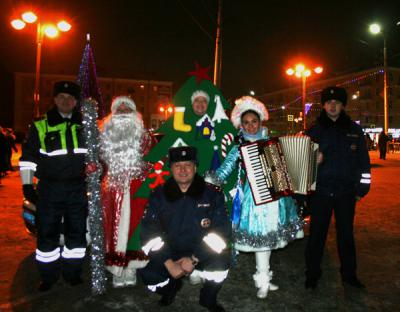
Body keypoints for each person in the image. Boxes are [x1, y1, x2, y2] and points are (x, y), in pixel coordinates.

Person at [214, 96, 303, 299]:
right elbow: (226, 168)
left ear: (260, 121)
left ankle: (265, 277)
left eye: (254, 121)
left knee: (270, 239)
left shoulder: (274, 143)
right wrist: (213, 179)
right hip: (254, 200)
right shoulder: (239, 147)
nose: (251, 126)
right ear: (241, 124)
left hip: (278, 199)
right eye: (246, 122)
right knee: (262, 240)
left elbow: (287, 167)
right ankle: (262, 281)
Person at [139, 146, 230, 312]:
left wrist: (194, 259)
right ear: (171, 168)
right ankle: (171, 289)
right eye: (177, 165)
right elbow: (149, 234)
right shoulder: (158, 196)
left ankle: (207, 299)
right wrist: (169, 263)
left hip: (201, 252)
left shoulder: (213, 195)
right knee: (149, 276)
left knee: (221, 264)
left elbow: (221, 234)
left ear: (195, 167)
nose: (182, 170)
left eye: (187, 165)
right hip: (170, 252)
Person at [19, 81, 87, 292]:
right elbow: (28, 158)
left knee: (76, 233)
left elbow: (96, 157)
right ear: (55, 99)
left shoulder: (85, 125)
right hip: (50, 189)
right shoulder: (40, 125)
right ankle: (48, 276)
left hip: (77, 189)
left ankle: (72, 273)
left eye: (70, 98)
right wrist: (27, 185)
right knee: (47, 232)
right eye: (61, 97)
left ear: (75, 102)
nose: (66, 101)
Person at [304, 86, 371, 289]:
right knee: (317, 235)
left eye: (337, 103)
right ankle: (312, 273)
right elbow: (301, 162)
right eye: (329, 102)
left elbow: (364, 163)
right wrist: (313, 160)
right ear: (323, 106)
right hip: (321, 192)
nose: (333, 106)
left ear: (342, 106)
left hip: (345, 192)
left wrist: (361, 189)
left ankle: (349, 275)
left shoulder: (354, 130)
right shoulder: (314, 131)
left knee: (346, 236)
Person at [100, 96, 150, 287]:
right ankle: (116, 268)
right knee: (113, 229)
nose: (122, 114)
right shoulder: (103, 136)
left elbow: (154, 160)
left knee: (135, 228)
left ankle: (131, 267)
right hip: (112, 190)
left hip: (137, 189)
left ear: (134, 114)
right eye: (119, 110)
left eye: (126, 109)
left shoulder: (144, 137)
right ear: (112, 114)